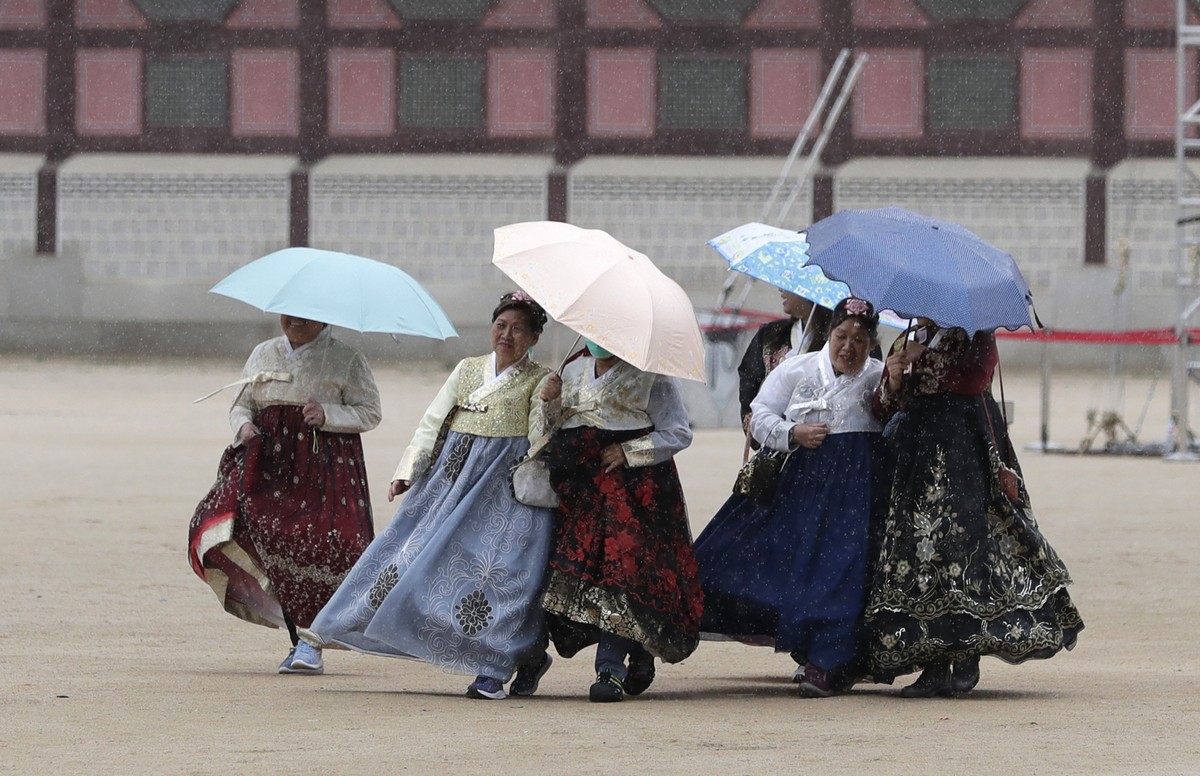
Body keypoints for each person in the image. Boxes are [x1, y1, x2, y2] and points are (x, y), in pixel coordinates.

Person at [307, 292, 553, 701]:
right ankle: (332, 629)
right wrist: (408, 471)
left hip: (502, 491)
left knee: (500, 576)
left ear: (534, 338)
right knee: (408, 558)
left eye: (518, 329)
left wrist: (548, 404)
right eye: (500, 326)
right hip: (450, 480)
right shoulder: (467, 369)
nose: (506, 335)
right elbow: (433, 420)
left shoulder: (541, 380)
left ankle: (496, 666)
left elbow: (538, 440)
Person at [864, 319, 1084, 697]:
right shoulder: (905, 337)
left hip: (966, 451)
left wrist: (926, 359)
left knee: (967, 549)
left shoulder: (975, 333)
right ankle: (932, 661)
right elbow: (883, 408)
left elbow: (975, 378)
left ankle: (967, 654)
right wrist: (894, 380)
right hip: (917, 458)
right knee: (921, 557)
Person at [694, 297, 884, 697]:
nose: (848, 347)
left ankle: (828, 660)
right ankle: (806, 645)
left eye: (860, 340)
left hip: (855, 490)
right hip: (801, 484)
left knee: (842, 568)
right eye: (841, 336)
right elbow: (760, 415)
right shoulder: (797, 368)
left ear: (871, 345)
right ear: (828, 334)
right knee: (790, 562)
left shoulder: (878, 379)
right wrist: (791, 434)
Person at [188, 314, 381, 675]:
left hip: (324, 465)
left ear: (324, 318)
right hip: (269, 461)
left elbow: (370, 412)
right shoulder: (263, 352)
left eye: (305, 315)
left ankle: (311, 642)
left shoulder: (347, 359)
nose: (293, 320)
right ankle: (297, 632)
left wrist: (328, 413)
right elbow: (242, 403)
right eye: (288, 313)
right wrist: (243, 425)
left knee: (320, 547)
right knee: (246, 531)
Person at [529, 340, 703, 703]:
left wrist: (628, 451)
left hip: (636, 493)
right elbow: (549, 430)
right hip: (581, 489)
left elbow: (678, 432)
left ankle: (609, 668)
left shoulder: (653, 376)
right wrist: (549, 402)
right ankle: (635, 651)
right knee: (580, 574)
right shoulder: (571, 369)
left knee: (623, 575)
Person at [737, 290, 831, 431]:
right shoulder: (770, 335)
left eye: (793, 281)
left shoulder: (841, 342)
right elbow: (749, 383)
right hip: (776, 439)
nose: (781, 289)